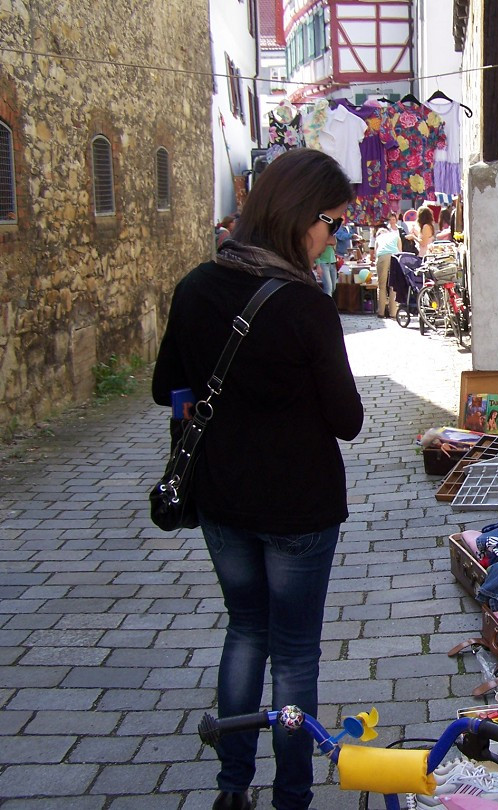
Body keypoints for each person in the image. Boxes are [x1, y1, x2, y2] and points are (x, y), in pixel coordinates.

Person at [151, 147, 364, 810]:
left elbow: (169, 387)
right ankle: (291, 796)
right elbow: (348, 420)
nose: (337, 238)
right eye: (334, 224)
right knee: (294, 653)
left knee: (245, 629)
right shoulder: (305, 306)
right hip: (298, 507)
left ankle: (231, 788)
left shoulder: (194, 288)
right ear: (300, 218)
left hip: (222, 500)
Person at [374, 211, 402, 319]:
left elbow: (376, 254)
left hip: (382, 257)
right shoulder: (395, 235)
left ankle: (381, 312)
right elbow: (400, 251)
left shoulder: (378, 238)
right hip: (394, 257)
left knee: (381, 286)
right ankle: (393, 313)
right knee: (393, 285)